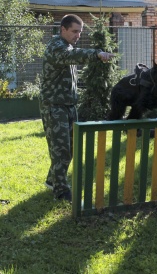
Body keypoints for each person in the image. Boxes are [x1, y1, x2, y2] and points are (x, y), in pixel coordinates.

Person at [39, 14, 114, 202]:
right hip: (54, 106)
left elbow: (73, 53)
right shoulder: (56, 47)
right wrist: (96, 53)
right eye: (74, 31)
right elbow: (72, 56)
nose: (78, 35)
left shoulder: (68, 46)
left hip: (69, 106)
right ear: (62, 29)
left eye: (80, 32)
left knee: (70, 148)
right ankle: (61, 192)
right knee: (60, 149)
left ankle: (52, 179)